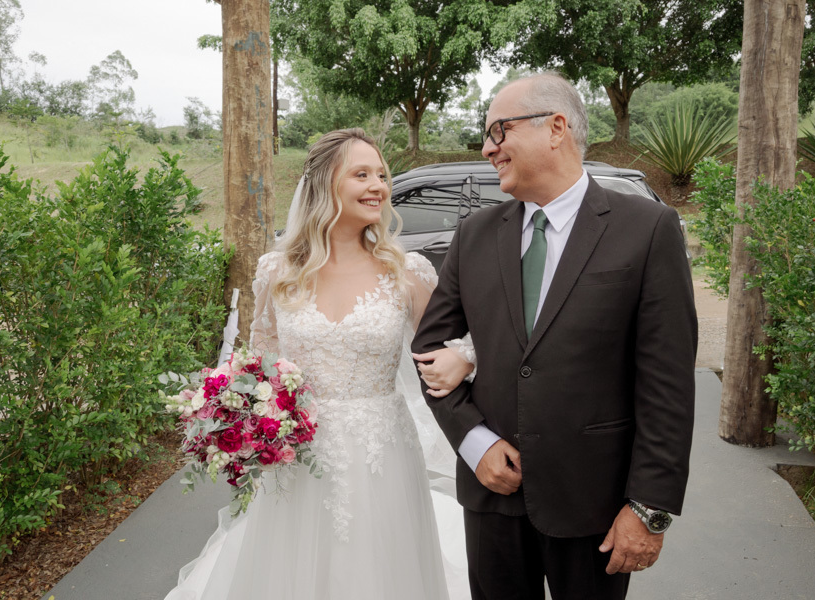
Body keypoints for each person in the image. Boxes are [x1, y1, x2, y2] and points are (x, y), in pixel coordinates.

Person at [412, 72, 698, 599]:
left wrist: (649, 510)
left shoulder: (648, 228)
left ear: (556, 128)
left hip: (596, 504)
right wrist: (475, 443)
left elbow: (668, 384)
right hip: (492, 499)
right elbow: (429, 349)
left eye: (499, 131)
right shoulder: (475, 233)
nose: (487, 148)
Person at [165, 128, 475, 600]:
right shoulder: (277, 272)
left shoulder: (405, 272)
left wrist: (465, 357)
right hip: (298, 458)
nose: (378, 186)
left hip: (381, 452)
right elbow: (256, 363)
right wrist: (243, 419)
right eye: (361, 174)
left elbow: (458, 344)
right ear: (325, 185)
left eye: (382, 175)